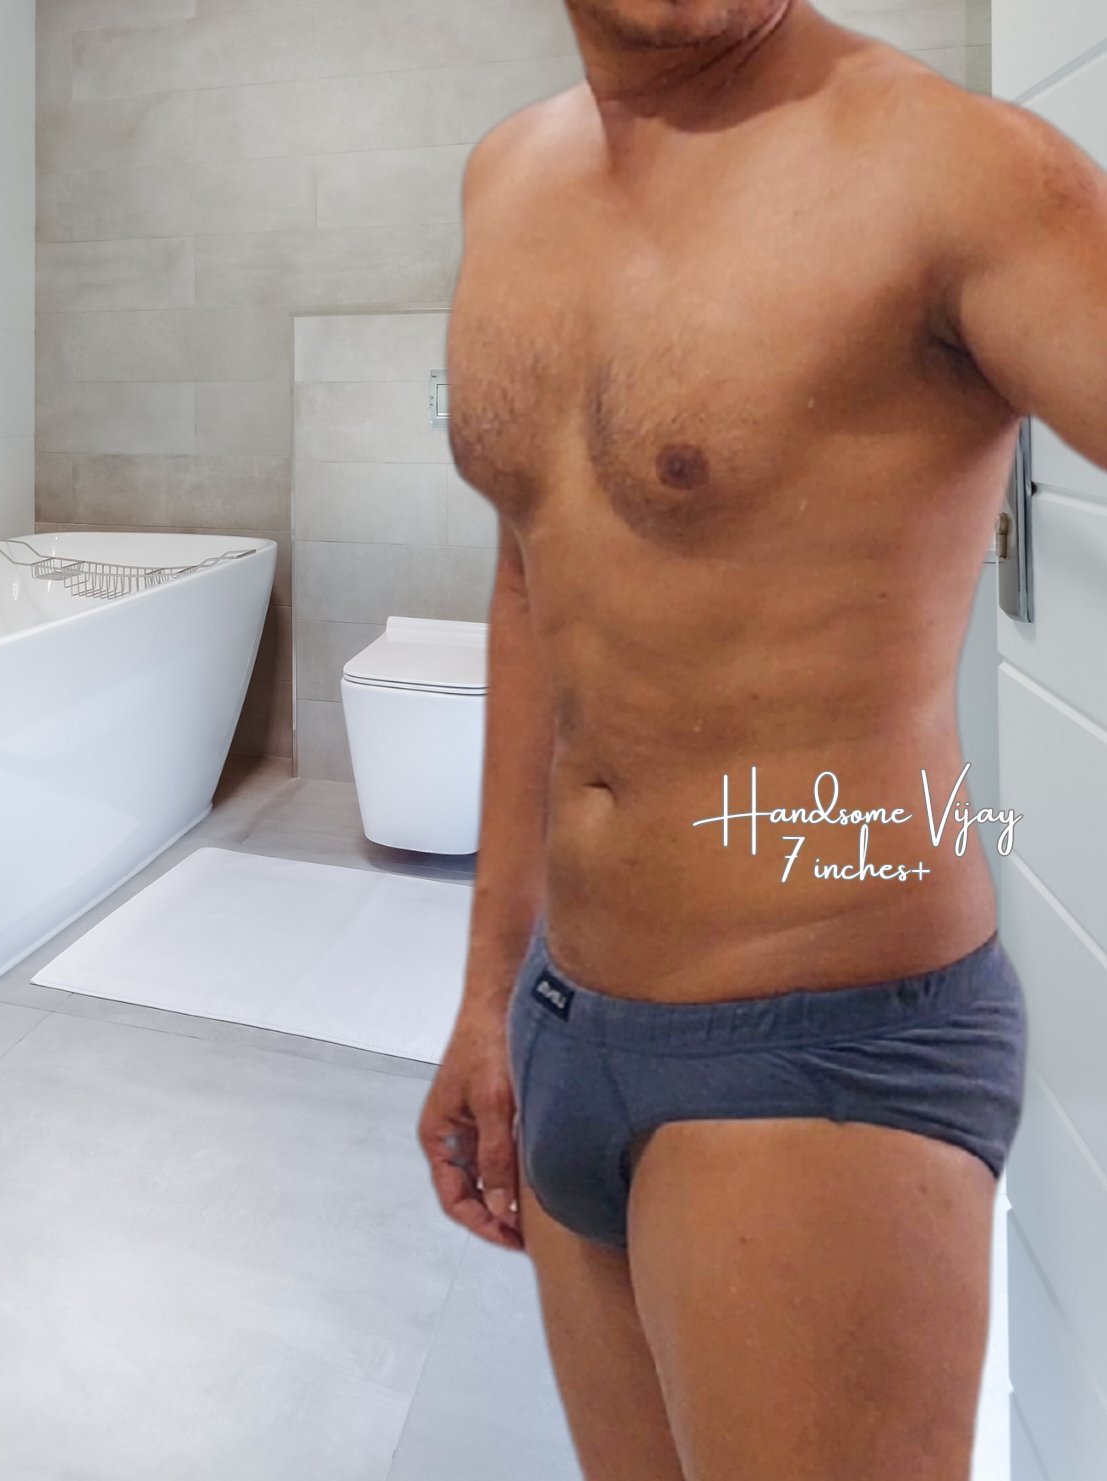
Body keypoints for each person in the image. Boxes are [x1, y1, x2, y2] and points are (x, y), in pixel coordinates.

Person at [417, 1, 1107, 1476]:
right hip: (564, 1018)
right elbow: (533, 583)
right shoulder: (505, 176)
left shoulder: (958, 174)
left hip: (823, 1051)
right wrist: (489, 993)